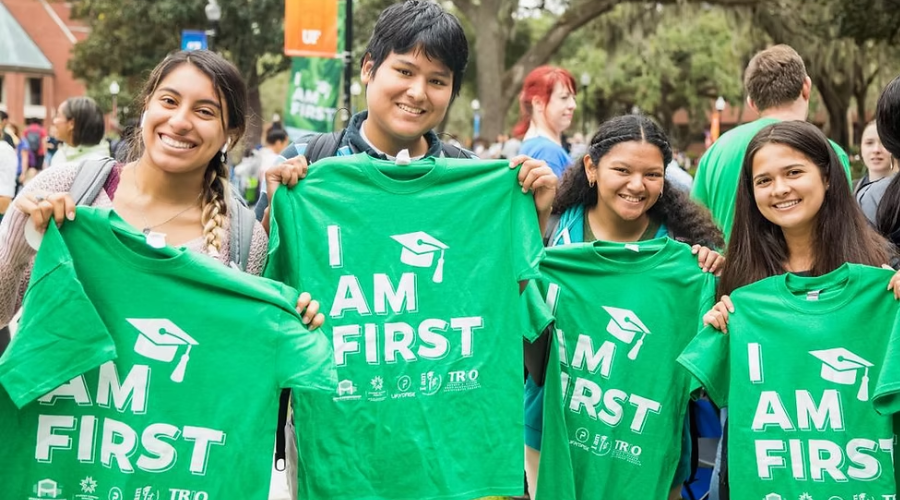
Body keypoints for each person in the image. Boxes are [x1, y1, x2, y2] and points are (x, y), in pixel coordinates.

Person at [0, 50, 323, 330]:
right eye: (169, 101)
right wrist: (19, 240)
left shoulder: (244, 241)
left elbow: (242, 349)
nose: (180, 122)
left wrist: (293, 319)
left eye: (204, 111)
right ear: (147, 107)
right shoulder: (66, 188)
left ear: (230, 134)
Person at [691, 120, 896, 500]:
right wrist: (716, 324)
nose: (780, 189)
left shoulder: (882, 272)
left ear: (827, 176)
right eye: (764, 180)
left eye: (793, 173)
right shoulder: (739, 278)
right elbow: (708, 390)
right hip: (765, 478)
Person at [525, 114, 725, 500]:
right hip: (551, 429)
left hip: (650, 443)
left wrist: (716, 279)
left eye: (652, 175)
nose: (637, 185)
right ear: (591, 168)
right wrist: (532, 224)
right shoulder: (551, 236)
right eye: (622, 170)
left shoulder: (688, 255)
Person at [691, 44, 853, 242]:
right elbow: (844, 226)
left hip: (726, 261)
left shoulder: (716, 151)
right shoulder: (829, 151)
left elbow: (693, 226)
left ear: (752, 103)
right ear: (806, 87)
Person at [513, 65, 577, 178]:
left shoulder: (536, 146)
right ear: (538, 103)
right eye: (564, 97)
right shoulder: (547, 152)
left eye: (573, 98)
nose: (573, 105)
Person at [48, 97, 109, 167]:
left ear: (71, 124)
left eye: (58, 116)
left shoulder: (95, 165)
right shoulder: (63, 154)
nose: (54, 121)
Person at [854, 121, 895, 224]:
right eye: (869, 143)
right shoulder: (849, 189)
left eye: (884, 143)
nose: (876, 150)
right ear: (861, 148)